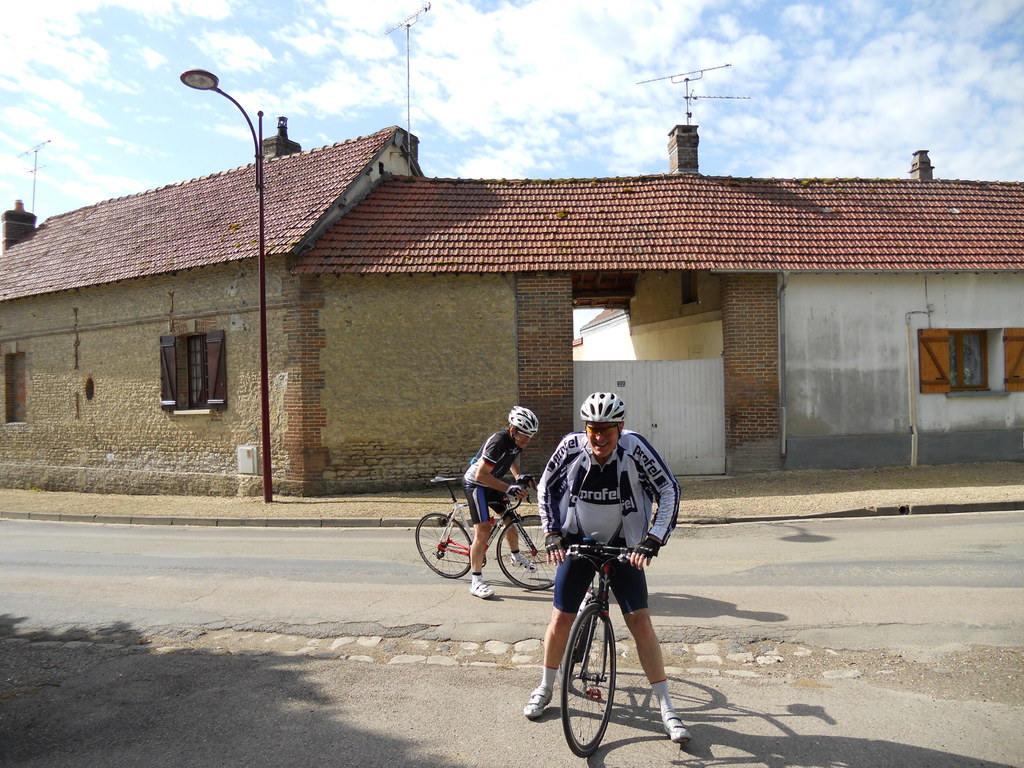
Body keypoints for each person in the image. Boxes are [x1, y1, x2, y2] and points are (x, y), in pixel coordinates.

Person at [522, 392, 691, 745]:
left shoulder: (635, 447)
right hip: (578, 541)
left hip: (625, 545)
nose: (599, 438)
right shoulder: (571, 447)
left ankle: (667, 708)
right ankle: (545, 686)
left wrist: (654, 539)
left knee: (640, 623)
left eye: (606, 431)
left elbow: (669, 489)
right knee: (560, 619)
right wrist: (551, 532)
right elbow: (546, 487)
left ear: (620, 428)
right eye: (593, 429)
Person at [462, 406, 541, 599]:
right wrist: (508, 488)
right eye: (525, 436)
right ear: (513, 430)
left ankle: (515, 555)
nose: (527, 441)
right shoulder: (498, 442)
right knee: (483, 530)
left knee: (510, 519)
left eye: (531, 437)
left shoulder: (515, 441)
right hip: (476, 484)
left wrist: (519, 477)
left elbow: (511, 459)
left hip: (491, 483)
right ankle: (476, 581)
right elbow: (481, 475)